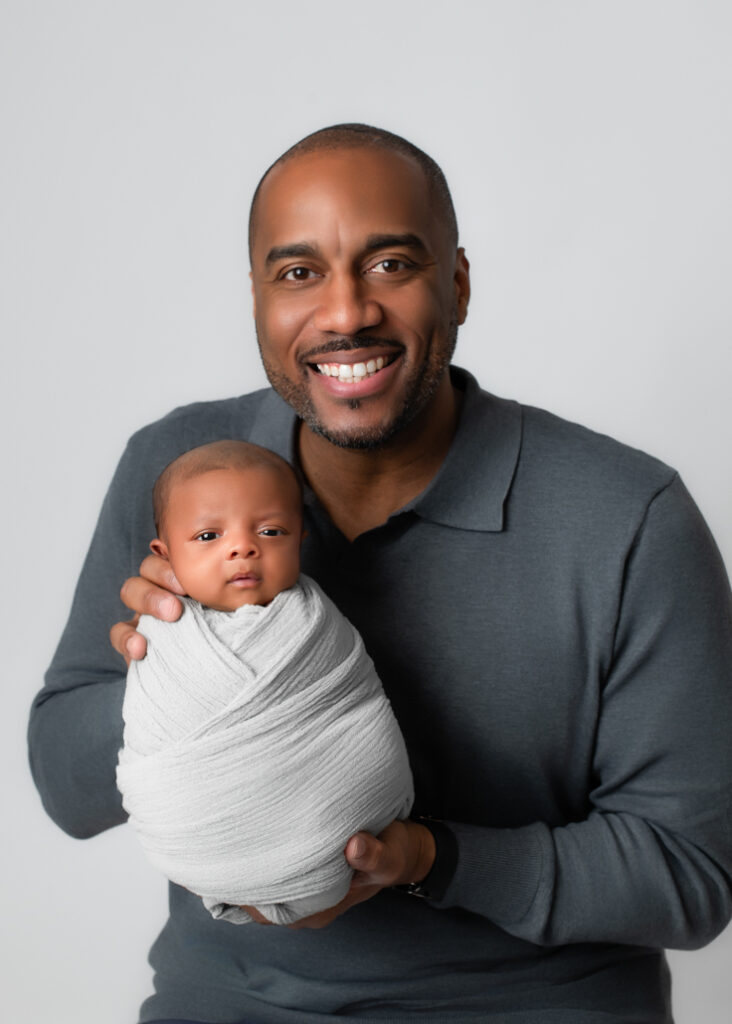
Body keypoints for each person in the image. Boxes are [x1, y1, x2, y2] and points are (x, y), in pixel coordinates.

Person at [29, 123, 732, 1023]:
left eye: (391, 264)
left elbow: (693, 876)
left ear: (460, 283)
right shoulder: (178, 478)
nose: (345, 312)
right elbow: (66, 793)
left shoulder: (627, 518)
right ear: (256, 298)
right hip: (229, 1005)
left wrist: (433, 860)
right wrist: (163, 669)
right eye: (297, 274)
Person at [117, 439, 414, 926]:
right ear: (164, 556)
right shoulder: (160, 635)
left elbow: (354, 706)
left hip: (349, 830)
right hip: (203, 841)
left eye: (271, 530)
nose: (242, 546)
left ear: (300, 541)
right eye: (209, 536)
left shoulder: (315, 622)